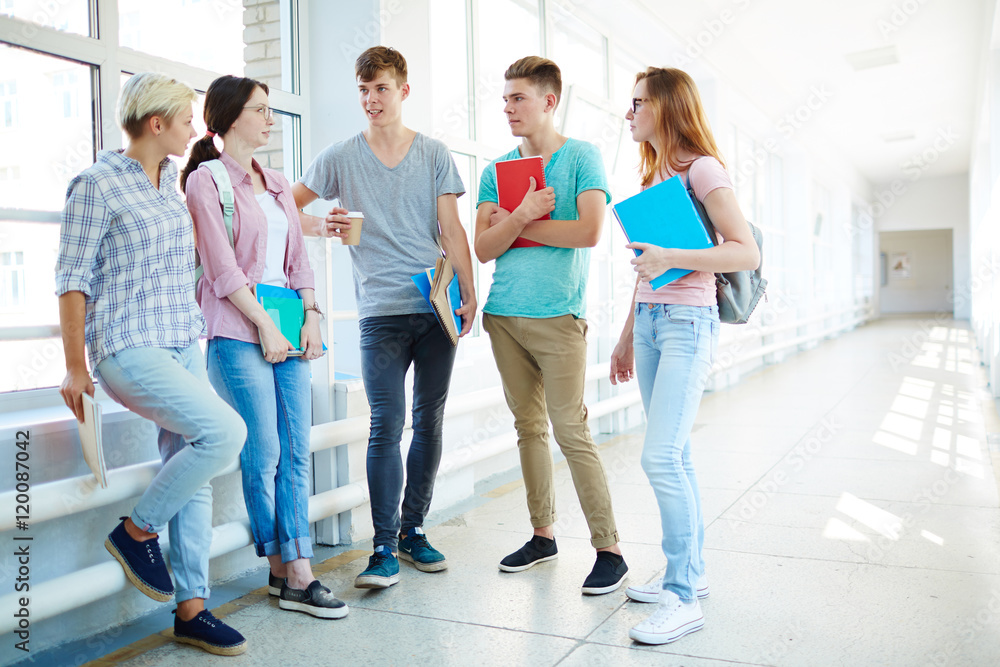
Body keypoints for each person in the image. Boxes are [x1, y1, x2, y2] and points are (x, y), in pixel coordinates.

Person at [56, 73, 248, 656]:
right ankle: (136, 531)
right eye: (187, 119)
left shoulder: (170, 182)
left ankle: (192, 609)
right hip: (127, 346)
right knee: (224, 433)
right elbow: (72, 281)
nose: (197, 129)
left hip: (181, 340)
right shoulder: (95, 185)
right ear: (155, 123)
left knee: (195, 468)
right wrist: (74, 368)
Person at [292, 46, 477, 589]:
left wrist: (469, 291)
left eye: (382, 89)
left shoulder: (435, 154)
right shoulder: (339, 156)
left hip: (434, 305)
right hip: (380, 312)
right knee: (385, 425)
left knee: (429, 421)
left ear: (403, 91)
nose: (372, 100)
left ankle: (413, 531)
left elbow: (452, 229)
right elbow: (285, 208)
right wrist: (322, 225)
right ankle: (382, 547)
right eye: (364, 90)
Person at [181, 75, 348, 619]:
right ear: (230, 118)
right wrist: (265, 327)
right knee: (266, 453)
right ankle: (293, 571)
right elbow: (222, 270)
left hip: (289, 326)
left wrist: (312, 317)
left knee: (297, 448)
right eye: (261, 110)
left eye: (272, 109)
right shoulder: (206, 182)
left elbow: (298, 260)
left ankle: (287, 568)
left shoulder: (276, 182)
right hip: (235, 332)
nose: (270, 119)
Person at [609, 67, 760, 644]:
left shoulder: (704, 169)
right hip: (649, 322)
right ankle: (688, 579)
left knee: (660, 457)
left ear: (668, 109)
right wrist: (626, 334)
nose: (629, 113)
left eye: (638, 103)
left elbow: (742, 251)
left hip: (688, 325)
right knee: (677, 456)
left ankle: (681, 594)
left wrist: (670, 252)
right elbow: (650, 270)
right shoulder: (657, 174)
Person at [474, 56, 628, 596]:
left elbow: (588, 232)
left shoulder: (582, 156)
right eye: (505, 99)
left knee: (571, 430)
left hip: (560, 316)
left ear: (549, 100)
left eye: (519, 98)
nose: (509, 108)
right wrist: (524, 218)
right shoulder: (495, 170)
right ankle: (543, 535)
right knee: (528, 429)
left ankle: (609, 549)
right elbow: (484, 247)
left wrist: (518, 224)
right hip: (504, 316)